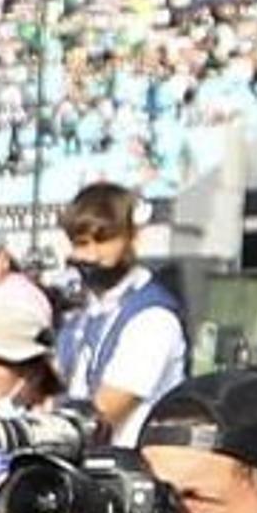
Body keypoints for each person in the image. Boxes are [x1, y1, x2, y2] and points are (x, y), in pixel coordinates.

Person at [59, 179, 186, 441]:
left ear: (132, 236)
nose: (92, 255)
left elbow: (103, 414)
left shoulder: (152, 317)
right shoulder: (87, 312)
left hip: (131, 465)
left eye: (104, 240)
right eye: (82, 243)